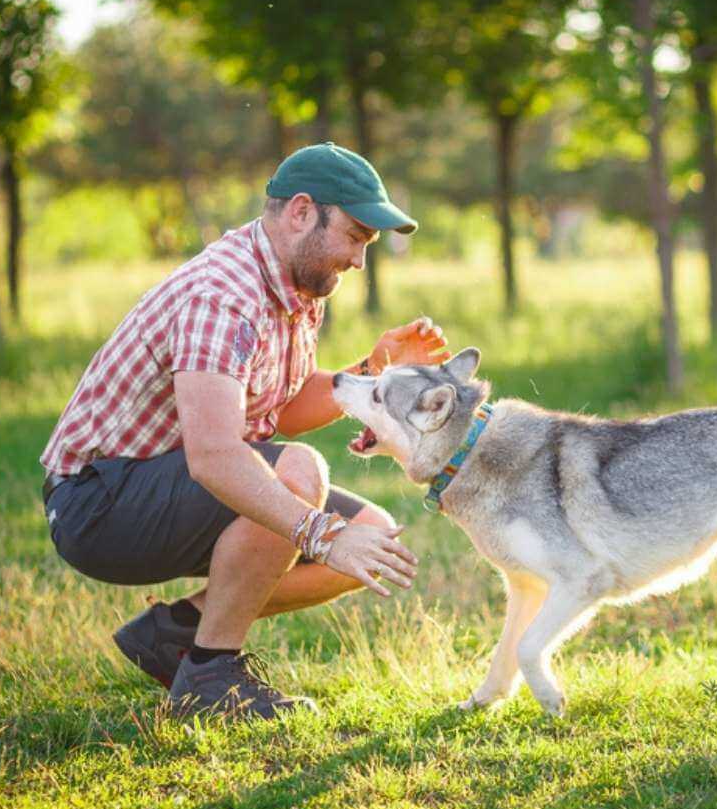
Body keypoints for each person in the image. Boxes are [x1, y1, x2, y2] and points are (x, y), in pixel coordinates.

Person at [40, 143, 449, 721]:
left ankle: (176, 633)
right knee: (300, 473)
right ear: (303, 212)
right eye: (355, 237)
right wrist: (322, 535)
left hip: (168, 484)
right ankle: (209, 678)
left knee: (374, 536)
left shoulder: (296, 286)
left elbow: (272, 409)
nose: (359, 260)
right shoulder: (224, 295)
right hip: (98, 503)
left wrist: (371, 370)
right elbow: (213, 455)